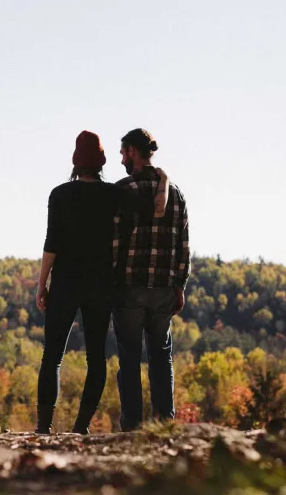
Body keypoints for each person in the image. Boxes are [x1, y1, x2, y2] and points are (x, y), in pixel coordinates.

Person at [34, 130, 169, 435]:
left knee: (52, 356)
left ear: (75, 162)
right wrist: (163, 179)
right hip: (100, 285)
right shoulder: (114, 194)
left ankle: (44, 427)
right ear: (101, 162)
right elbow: (153, 209)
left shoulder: (59, 194)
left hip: (65, 283)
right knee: (96, 358)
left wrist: (42, 283)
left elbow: (51, 243)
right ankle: (80, 427)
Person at [113, 128, 190, 431]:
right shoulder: (176, 194)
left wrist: (111, 280)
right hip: (163, 289)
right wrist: (180, 286)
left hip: (130, 287)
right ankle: (164, 423)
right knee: (161, 356)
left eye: (122, 153)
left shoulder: (123, 190)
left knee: (129, 357)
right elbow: (183, 244)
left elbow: (115, 242)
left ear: (132, 151)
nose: (121, 158)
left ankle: (132, 424)